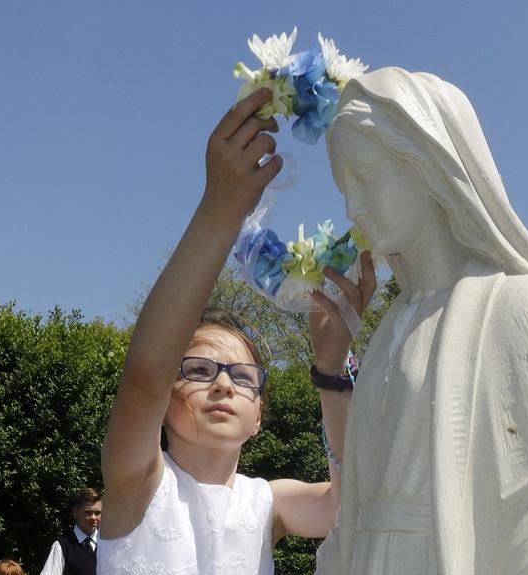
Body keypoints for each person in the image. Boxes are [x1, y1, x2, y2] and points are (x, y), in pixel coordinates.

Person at [316, 67, 528, 574]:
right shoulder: (387, 335)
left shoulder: (518, 306)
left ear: (429, 163)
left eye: (367, 177)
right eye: (345, 186)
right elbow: (355, 507)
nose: (353, 207)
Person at [96, 87, 375, 574]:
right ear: (164, 401)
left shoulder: (267, 503)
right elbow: (144, 373)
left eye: (243, 377)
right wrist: (222, 206)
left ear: (259, 415)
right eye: (199, 369)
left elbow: (350, 502)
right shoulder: (136, 482)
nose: (224, 383)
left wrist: (331, 373)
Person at [40, 487, 102, 575]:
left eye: (97, 513)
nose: (93, 518)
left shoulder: (107, 544)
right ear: (75, 512)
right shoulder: (62, 546)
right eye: (88, 512)